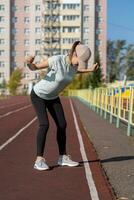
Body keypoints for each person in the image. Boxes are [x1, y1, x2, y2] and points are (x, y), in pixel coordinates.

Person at [25, 41, 98, 171]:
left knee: (62, 124)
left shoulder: (74, 66)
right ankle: (39, 160)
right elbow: (35, 67)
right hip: (39, 95)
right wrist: (29, 62)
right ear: (74, 53)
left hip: (53, 97)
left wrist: (89, 70)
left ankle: (63, 157)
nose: (78, 64)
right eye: (78, 60)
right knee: (44, 124)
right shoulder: (57, 60)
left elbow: (77, 71)